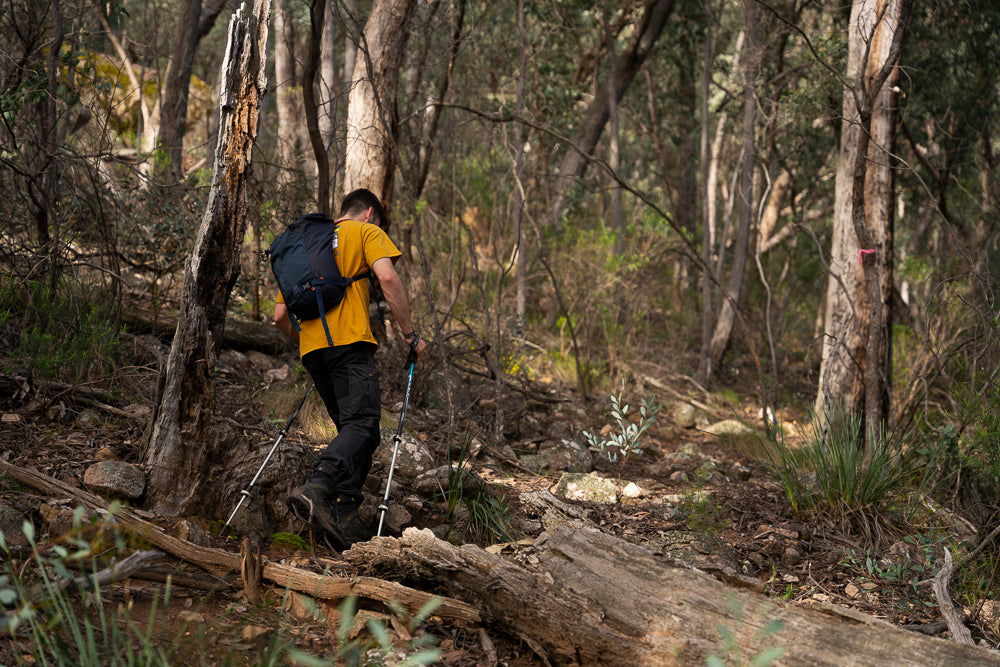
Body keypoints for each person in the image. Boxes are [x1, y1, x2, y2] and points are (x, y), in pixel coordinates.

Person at [274, 188, 426, 550]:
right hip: (351, 343)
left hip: (313, 349)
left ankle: (344, 517)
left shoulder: (309, 244)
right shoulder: (366, 232)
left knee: (357, 432)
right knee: (362, 425)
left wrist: (308, 342)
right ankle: (318, 485)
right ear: (369, 213)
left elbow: (280, 315)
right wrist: (410, 335)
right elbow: (388, 279)